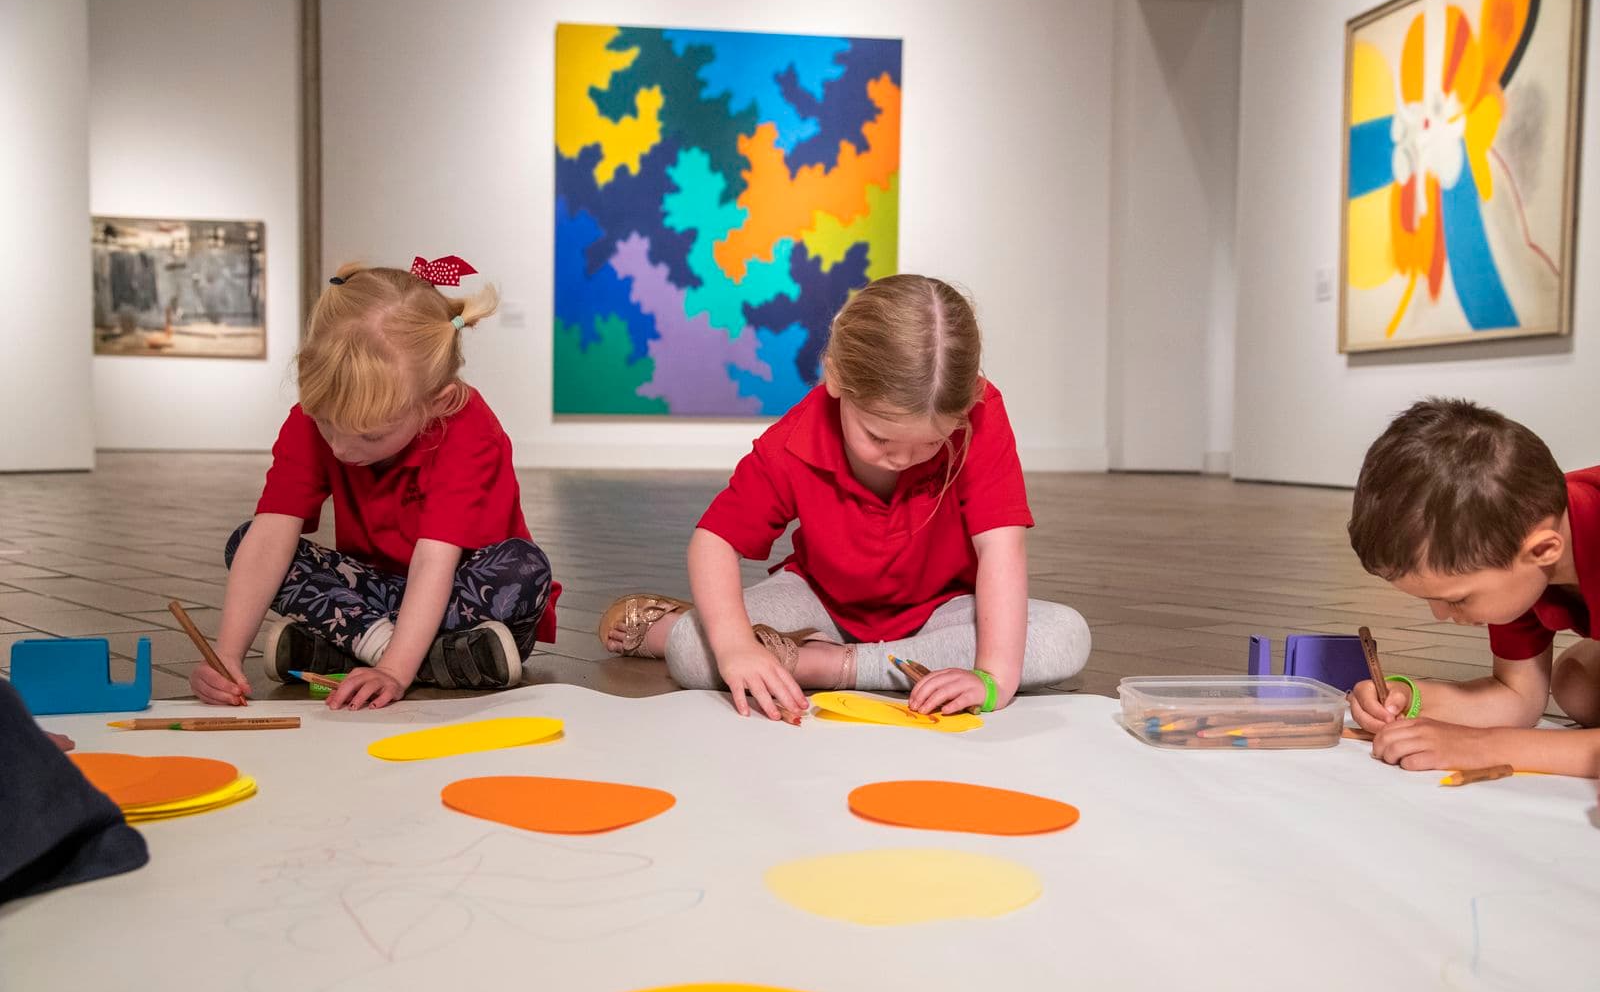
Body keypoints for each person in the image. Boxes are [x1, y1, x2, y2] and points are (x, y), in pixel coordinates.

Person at [598, 274, 1089, 720]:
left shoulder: (983, 415)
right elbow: (713, 542)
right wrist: (734, 648)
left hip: (944, 608)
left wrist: (992, 681)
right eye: (879, 438)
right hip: (820, 599)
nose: (902, 460)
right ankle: (683, 624)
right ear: (835, 377)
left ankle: (823, 664)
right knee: (693, 650)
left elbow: (1000, 548)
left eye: (932, 443)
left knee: (1066, 636)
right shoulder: (795, 438)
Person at [191, 257, 558, 711]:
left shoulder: (465, 426)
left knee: (524, 568)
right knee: (246, 541)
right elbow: (270, 537)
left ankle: (348, 649)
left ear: (436, 402)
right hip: (378, 597)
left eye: (371, 435)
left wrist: (394, 671)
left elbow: (433, 561)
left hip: (464, 598)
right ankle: (443, 661)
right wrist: (226, 656)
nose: (342, 448)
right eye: (327, 425)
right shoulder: (310, 420)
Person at [1346, 398, 1599, 777]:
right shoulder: (1514, 537)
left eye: (1458, 599)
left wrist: (1485, 747)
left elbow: (1503, 735)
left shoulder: (1517, 554)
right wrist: (1411, 699)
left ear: (1544, 551)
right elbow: (1519, 698)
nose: (1441, 615)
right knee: (1578, 685)